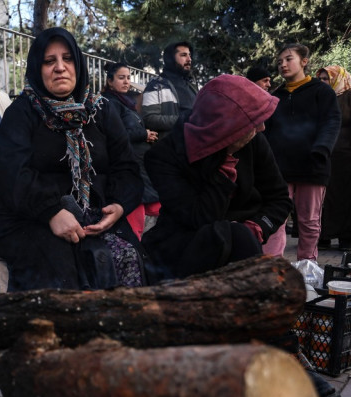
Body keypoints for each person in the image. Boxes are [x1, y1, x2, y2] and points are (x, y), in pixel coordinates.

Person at [0, 27, 145, 291]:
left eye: (67, 59)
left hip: (95, 216)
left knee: (127, 258)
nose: (60, 68)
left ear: (78, 65)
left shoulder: (102, 110)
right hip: (29, 216)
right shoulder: (22, 112)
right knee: (60, 269)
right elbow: (13, 173)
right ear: (38, 68)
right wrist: (50, 212)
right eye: (50, 61)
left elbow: (126, 167)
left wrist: (118, 205)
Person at [142, 74, 291, 281]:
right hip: (187, 249)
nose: (261, 128)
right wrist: (226, 161)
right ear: (223, 125)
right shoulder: (163, 156)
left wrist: (257, 228)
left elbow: (279, 198)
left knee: (239, 235)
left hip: (244, 243)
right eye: (252, 121)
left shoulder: (254, 141)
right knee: (231, 234)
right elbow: (200, 217)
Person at [261, 44, 341, 261]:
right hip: (279, 168)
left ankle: (307, 266)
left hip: (312, 164)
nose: (283, 65)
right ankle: (271, 265)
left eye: (288, 59)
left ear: (304, 61)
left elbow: (331, 121)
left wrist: (322, 148)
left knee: (309, 221)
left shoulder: (321, 91)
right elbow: (265, 131)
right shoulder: (275, 97)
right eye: (279, 62)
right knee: (275, 218)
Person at [102, 62, 160, 238]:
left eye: (128, 78)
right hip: (130, 167)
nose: (126, 82)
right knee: (136, 216)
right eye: (121, 78)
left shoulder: (126, 103)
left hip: (142, 167)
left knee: (155, 211)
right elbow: (116, 135)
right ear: (110, 81)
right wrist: (143, 134)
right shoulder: (110, 103)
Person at [316, 66, 351, 250]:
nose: (322, 82)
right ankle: (324, 235)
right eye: (320, 78)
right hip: (323, 155)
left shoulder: (348, 96)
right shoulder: (319, 98)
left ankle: (346, 237)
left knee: (343, 197)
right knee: (323, 198)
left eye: (326, 78)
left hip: (345, 156)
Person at [142, 41, 199, 139]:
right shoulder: (156, 85)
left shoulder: (192, 86)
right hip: (171, 148)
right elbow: (149, 119)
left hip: (195, 145)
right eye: (183, 55)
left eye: (189, 55)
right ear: (171, 59)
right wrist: (184, 120)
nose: (189, 59)